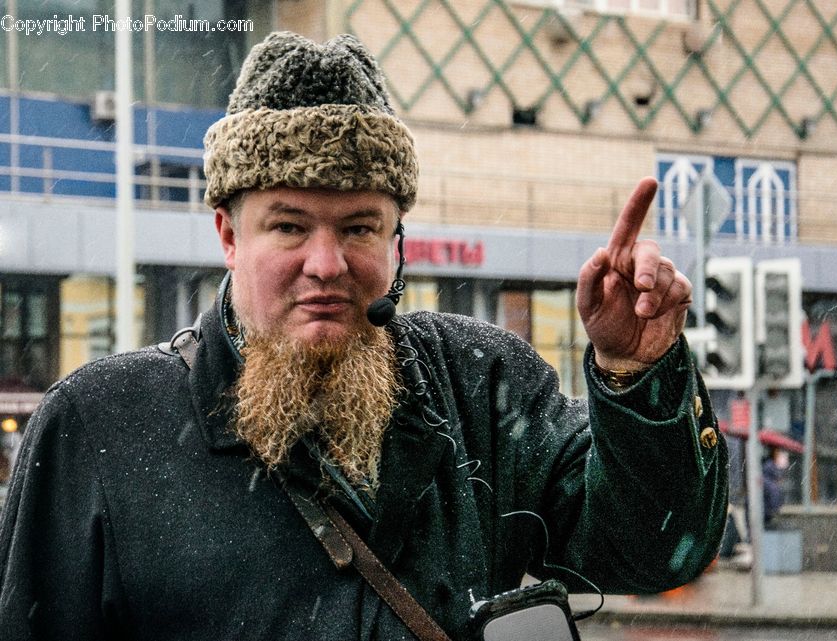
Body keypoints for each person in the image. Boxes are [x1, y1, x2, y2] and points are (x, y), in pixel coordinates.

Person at [0, 33, 728, 640]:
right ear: (227, 233)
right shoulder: (96, 429)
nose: (326, 264)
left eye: (358, 228)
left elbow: (662, 548)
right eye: (288, 226)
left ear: (397, 241)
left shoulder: (481, 388)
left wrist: (637, 372)